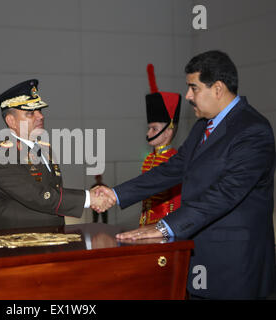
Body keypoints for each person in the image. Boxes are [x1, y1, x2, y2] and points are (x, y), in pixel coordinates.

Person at [93, 50, 275, 299]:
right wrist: (116, 193)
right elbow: (172, 169)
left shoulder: (252, 130)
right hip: (198, 257)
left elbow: (226, 193)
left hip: (234, 266)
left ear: (218, 89)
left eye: (194, 88)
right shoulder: (203, 126)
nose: (188, 95)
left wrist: (166, 227)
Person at [0, 79, 104, 230]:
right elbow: (39, 196)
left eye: (40, 110)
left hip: (52, 241)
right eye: (30, 113)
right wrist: (89, 198)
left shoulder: (44, 149)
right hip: (21, 246)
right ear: (11, 121)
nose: (40, 116)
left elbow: (54, 191)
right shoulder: (1, 156)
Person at [138, 64, 182, 226]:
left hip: (164, 224)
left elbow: (177, 200)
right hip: (145, 223)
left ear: (168, 131)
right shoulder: (149, 158)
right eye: (149, 128)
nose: (149, 133)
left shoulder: (175, 159)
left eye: (154, 128)